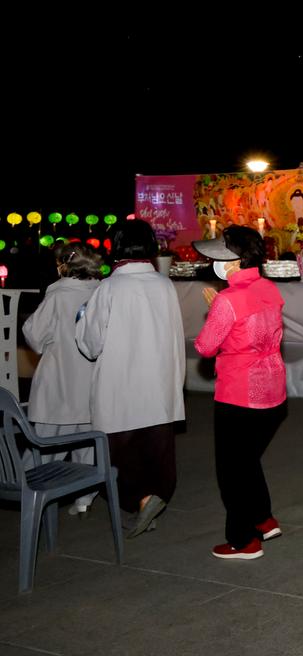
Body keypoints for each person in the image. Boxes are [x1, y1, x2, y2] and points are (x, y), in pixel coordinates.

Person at [76, 219, 186, 538]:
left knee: (119, 455)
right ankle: (150, 499)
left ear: (117, 246)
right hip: (160, 382)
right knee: (156, 450)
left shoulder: (110, 287)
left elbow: (91, 344)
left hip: (120, 384)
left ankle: (141, 499)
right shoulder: (164, 285)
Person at [193, 226, 288, 560]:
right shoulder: (268, 287)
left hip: (239, 393)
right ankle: (263, 518)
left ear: (232, 262)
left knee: (231, 471)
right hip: (273, 389)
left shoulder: (227, 300)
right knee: (247, 461)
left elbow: (206, 347)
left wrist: (216, 309)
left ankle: (243, 540)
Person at [21, 243, 104, 515]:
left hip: (58, 379)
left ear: (63, 266)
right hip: (91, 378)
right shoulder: (102, 293)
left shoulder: (56, 296)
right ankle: (84, 497)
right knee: (87, 439)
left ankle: (27, 490)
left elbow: (33, 333)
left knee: (45, 442)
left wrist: (48, 345)